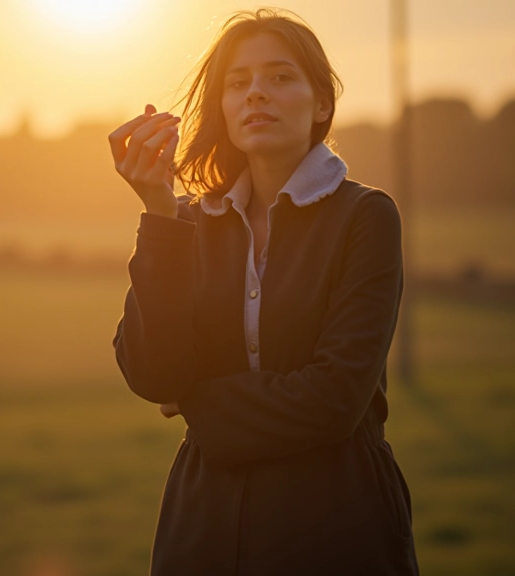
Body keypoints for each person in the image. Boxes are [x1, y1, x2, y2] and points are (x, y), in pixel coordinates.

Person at [108, 8, 420, 575]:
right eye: (238, 82)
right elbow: (155, 376)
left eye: (280, 77)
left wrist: (198, 404)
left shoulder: (365, 217)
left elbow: (335, 400)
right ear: (223, 108)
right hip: (204, 527)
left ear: (321, 104)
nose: (256, 94)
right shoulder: (183, 223)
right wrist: (157, 212)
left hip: (337, 524)